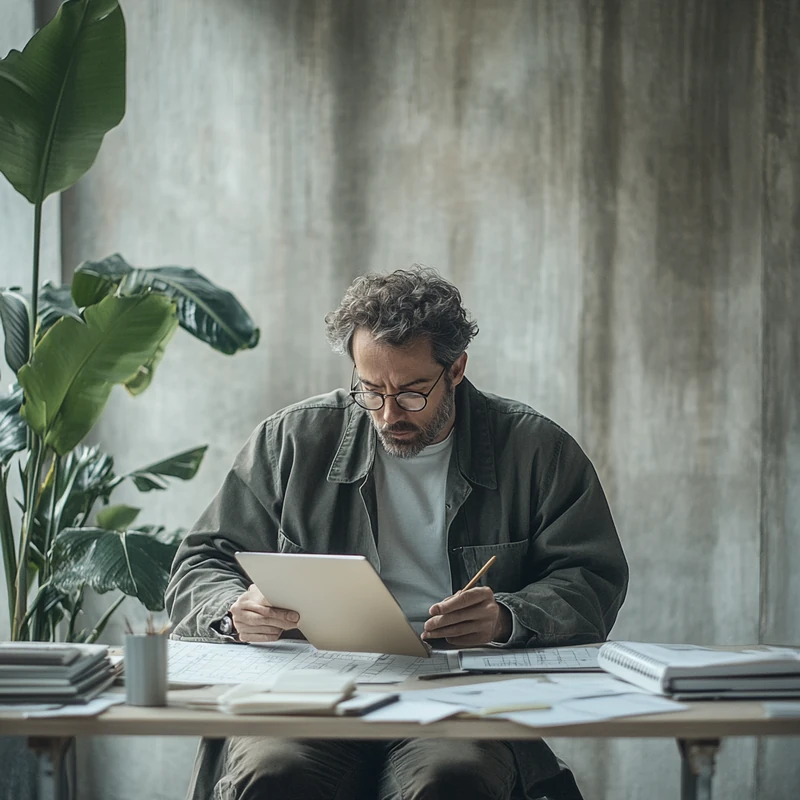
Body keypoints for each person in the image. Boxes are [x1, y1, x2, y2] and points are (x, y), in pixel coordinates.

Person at [166, 266, 629, 800]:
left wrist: (507, 617)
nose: (388, 414)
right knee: (273, 776)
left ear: (456, 368)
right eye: (370, 390)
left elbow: (592, 577)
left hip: (456, 692)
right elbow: (199, 562)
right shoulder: (291, 440)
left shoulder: (535, 451)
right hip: (311, 691)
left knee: (450, 781)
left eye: (411, 392)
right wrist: (232, 609)